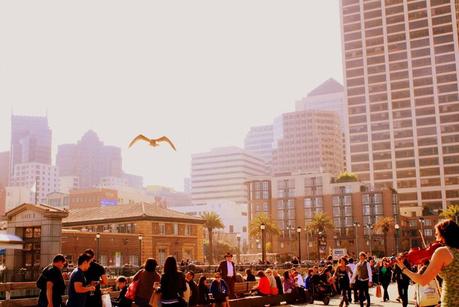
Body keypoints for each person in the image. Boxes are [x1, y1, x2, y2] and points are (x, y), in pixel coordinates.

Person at [396, 219, 459, 307]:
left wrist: (403, 268)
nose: (435, 237)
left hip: (451, 301)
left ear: (444, 235)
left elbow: (423, 280)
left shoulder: (443, 252)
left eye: (437, 234)